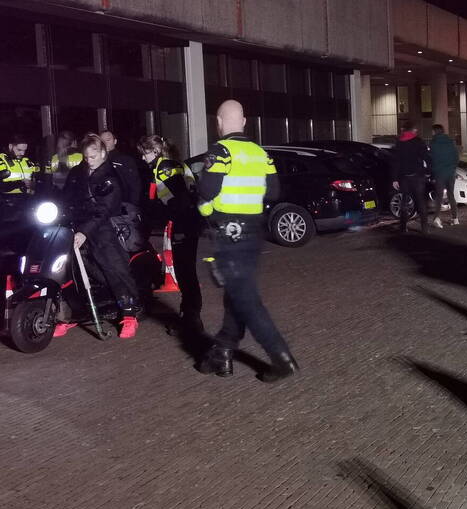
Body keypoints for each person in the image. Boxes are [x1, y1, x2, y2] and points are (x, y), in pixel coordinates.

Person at [196, 99, 299, 382]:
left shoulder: (222, 151)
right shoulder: (259, 152)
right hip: (255, 232)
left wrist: (210, 208)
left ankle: (282, 358)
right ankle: (222, 352)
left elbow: (207, 189)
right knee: (237, 294)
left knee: (247, 300)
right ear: (243, 122)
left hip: (230, 232)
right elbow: (274, 191)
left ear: (218, 123)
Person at [60, 134, 141, 339]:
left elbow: (103, 211)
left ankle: (129, 314)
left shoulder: (109, 177)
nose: (90, 161)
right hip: (80, 226)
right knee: (74, 270)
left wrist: (84, 232)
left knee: (114, 268)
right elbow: (68, 196)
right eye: (87, 157)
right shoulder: (80, 171)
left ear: (103, 153)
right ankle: (75, 311)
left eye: (94, 156)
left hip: (103, 228)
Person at [139, 135, 203, 333]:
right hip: (189, 222)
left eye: (144, 153)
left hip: (183, 224)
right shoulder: (178, 164)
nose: (142, 158)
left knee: (185, 273)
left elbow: (178, 198)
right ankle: (188, 315)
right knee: (186, 271)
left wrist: (169, 214)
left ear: (155, 152)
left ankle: (192, 320)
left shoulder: (164, 168)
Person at [391, 121, 432, 234]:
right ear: (412, 130)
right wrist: (429, 171)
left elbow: (396, 162)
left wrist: (394, 178)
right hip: (418, 177)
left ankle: (403, 227)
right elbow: (427, 158)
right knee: (420, 202)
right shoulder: (418, 141)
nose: (417, 131)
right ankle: (424, 229)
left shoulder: (399, 143)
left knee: (405, 202)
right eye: (415, 129)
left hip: (404, 178)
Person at [99, 129, 144, 208]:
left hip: (122, 207)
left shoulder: (125, 160)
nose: (105, 143)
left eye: (108, 140)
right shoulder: (97, 160)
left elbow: (135, 185)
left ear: (115, 141)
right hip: (104, 207)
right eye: (102, 141)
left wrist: (131, 206)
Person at [428, 123, 460, 229]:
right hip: (451, 173)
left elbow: (431, 160)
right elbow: (456, 157)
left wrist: (432, 171)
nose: (431, 133)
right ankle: (455, 219)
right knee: (451, 195)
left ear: (435, 131)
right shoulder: (451, 142)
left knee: (439, 196)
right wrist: (452, 168)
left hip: (439, 174)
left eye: (432, 131)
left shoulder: (433, 143)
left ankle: (437, 218)